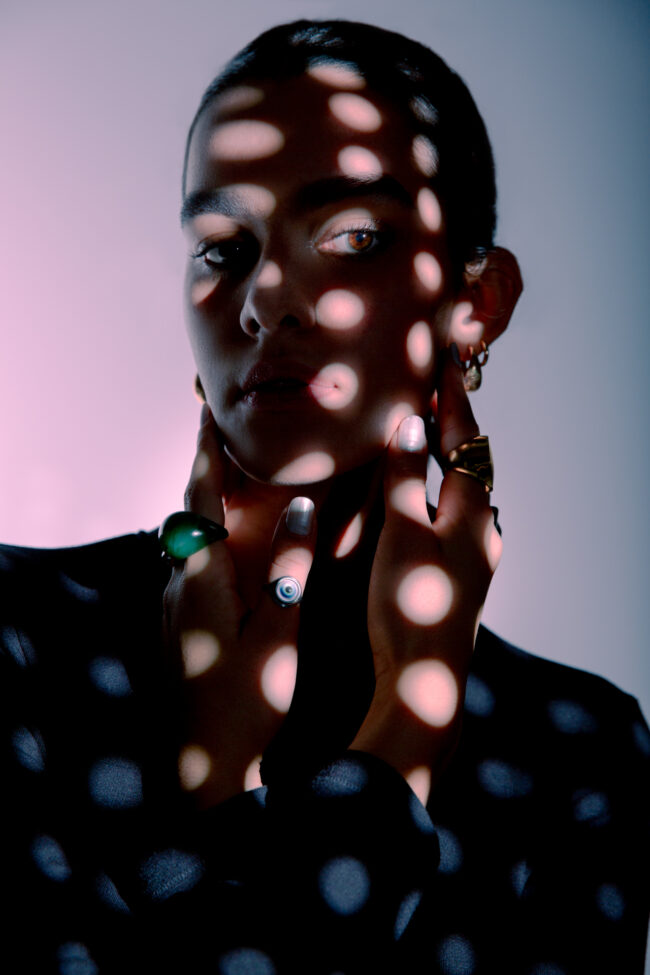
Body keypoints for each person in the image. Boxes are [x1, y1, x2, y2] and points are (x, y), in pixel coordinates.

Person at [1, 18, 648, 975]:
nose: (267, 295)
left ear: (475, 304)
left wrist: (239, 795)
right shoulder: (21, 637)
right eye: (222, 246)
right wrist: (398, 746)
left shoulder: (577, 756)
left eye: (351, 235)